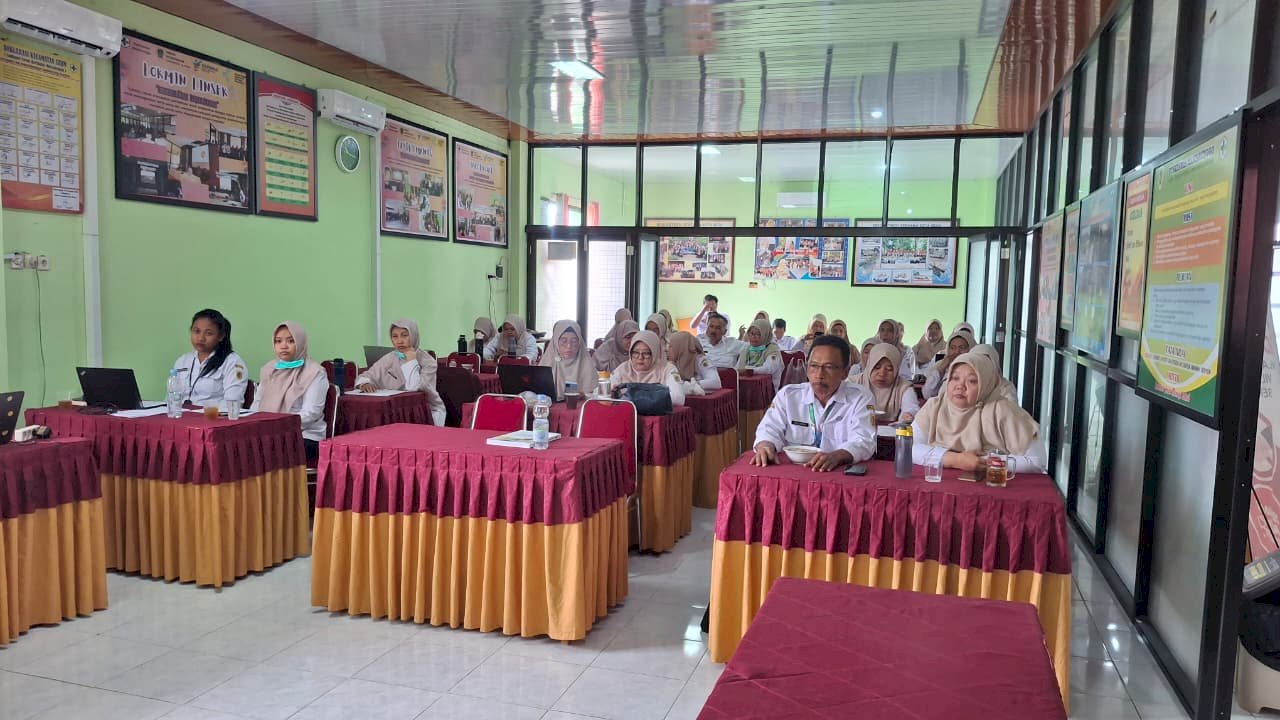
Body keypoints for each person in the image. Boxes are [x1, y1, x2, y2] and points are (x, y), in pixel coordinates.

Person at [751, 335, 876, 471]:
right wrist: (765, 445)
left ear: (845, 372)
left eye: (828, 367)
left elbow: (864, 440)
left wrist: (838, 456)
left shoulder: (860, 398)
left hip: (835, 474)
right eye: (814, 366)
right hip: (793, 472)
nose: (819, 374)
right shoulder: (788, 395)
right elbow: (768, 429)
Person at [911, 352, 1046, 473]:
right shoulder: (935, 406)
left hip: (994, 488)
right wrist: (956, 460)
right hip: (942, 487)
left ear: (986, 384)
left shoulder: (1003, 411)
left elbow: (1037, 461)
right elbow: (910, 448)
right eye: (955, 378)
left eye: (972, 381)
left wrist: (985, 462)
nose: (960, 386)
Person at [252, 322, 329, 462]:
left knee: (264, 451)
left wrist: (279, 426)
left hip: (304, 435)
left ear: (300, 342)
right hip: (269, 432)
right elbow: (257, 404)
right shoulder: (269, 369)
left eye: (291, 341)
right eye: (278, 341)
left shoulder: (315, 372)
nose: (283, 346)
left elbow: (311, 413)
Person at [354, 319, 446, 425]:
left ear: (414, 335)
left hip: (425, 412)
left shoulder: (428, 362)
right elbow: (366, 375)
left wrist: (411, 361)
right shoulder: (390, 357)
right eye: (395, 336)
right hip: (395, 411)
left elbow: (414, 388)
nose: (399, 341)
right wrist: (365, 383)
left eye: (404, 335)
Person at [171, 308, 247, 408]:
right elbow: (171, 397)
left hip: (212, 418)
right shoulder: (182, 361)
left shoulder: (234, 363)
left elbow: (232, 403)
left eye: (208, 333)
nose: (201, 338)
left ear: (221, 336)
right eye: (196, 331)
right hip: (181, 417)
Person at [610, 330, 687, 406]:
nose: (640, 357)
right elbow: (603, 394)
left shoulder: (668, 369)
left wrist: (632, 398)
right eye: (636, 352)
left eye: (646, 353)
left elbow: (678, 398)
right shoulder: (623, 369)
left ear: (655, 352)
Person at [851, 343, 920, 423]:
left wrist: (908, 414)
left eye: (889, 369)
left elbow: (911, 407)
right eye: (877, 367)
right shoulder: (853, 383)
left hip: (891, 433)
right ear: (870, 365)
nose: (882, 373)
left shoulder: (903, 387)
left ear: (896, 369)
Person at [540, 319, 600, 400]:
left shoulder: (586, 363)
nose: (569, 346)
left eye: (574, 341)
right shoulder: (547, 362)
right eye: (564, 341)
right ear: (555, 342)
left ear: (579, 342)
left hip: (580, 408)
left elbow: (596, 393)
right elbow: (538, 394)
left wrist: (585, 394)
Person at [922, 328, 976, 399]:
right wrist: (940, 370)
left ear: (971, 349)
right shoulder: (942, 365)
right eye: (952, 348)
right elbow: (927, 394)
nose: (957, 352)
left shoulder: (976, 369)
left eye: (962, 347)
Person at [737, 318, 783, 389]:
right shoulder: (746, 348)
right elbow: (737, 368)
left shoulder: (772, 348)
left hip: (765, 390)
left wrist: (749, 371)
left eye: (758, 334)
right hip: (744, 386)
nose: (754, 337)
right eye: (752, 333)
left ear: (765, 334)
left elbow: (769, 368)